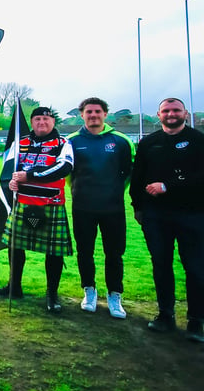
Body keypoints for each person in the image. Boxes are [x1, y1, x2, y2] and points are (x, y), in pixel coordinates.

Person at [130, 98, 204, 342]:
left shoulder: (198, 140)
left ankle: (196, 320)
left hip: (192, 214)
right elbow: (137, 177)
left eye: (176, 110)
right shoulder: (149, 143)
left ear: (184, 113)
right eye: (166, 111)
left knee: (194, 267)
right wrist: (138, 207)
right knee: (161, 264)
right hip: (156, 216)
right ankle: (165, 314)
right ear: (159, 114)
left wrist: (168, 186)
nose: (171, 114)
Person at [0, 107, 74, 313]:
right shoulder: (22, 142)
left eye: (46, 119)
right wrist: (11, 182)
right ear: (32, 121)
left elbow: (65, 166)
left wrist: (31, 176)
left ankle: (52, 294)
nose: (41, 122)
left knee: (53, 252)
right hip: (22, 203)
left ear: (53, 121)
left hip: (50, 204)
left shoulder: (63, 143)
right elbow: (11, 168)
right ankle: (14, 286)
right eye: (37, 119)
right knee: (14, 247)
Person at [67, 97, 134, 319]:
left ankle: (115, 294)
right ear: (82, 115)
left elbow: (129, 173)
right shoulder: (72, 141)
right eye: (89, 112)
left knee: (114, 253)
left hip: (113, 208)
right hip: (83, 207)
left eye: (97, 111)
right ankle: (89, 290)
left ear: (106, 114)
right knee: (84, 251)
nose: (93, 115)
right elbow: (68, 174)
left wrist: (113, 191)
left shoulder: (122, 140)